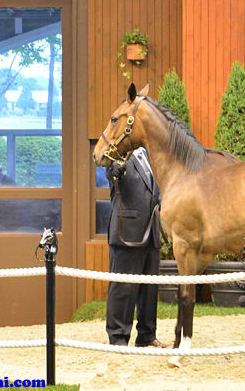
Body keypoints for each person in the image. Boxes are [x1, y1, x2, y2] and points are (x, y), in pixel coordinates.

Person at [105, 147, 166, 348]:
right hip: (127, 231)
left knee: (149, 288)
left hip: (151, 231)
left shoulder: (151, 156)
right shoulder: (119, 155)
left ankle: (147, 336)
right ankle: (118, 338)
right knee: (123, 287)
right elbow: (111, 170)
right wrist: (115, 169)